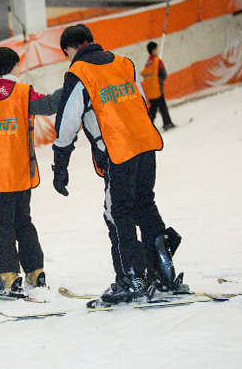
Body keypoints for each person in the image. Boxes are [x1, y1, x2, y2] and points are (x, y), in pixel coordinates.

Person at [52, 24, 182, 307]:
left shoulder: (79, 73)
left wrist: (60, 165)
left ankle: (131, 278)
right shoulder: (124, 64)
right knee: (145, 205)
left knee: (118, 212)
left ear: (70, 50)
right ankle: (164, 272)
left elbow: (67, 123)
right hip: (146, 143)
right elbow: (142, 102)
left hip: (119, 152)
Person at [0, 47, 62, 296]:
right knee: (24, 221)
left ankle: (7, 275)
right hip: (21, 171)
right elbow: (49, 105)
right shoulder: (23, 93)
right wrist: (71, 89)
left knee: (3, 224)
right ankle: (35, 272)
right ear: (13, 67)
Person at [140, 41, 174, 130]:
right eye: (156, 49)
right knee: (163, 107)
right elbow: (163, 74)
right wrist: (161, 80)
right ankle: (167, 123)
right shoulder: (157, 61)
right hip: (157, 89)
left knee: (153, 109)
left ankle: (149, 126)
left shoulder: (148, 63)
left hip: (149, 90)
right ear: (154, 50)